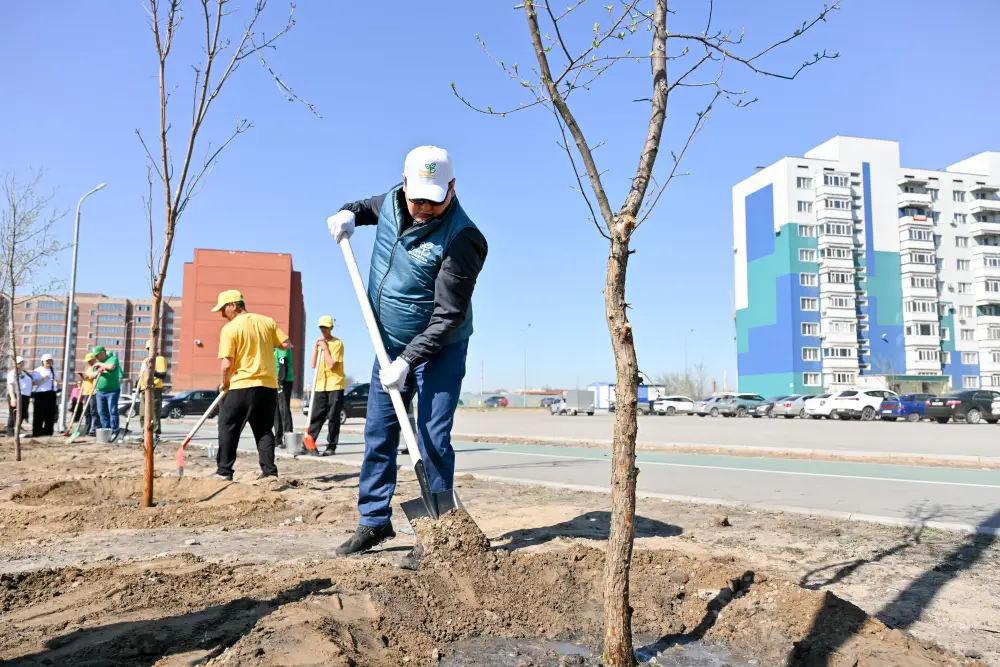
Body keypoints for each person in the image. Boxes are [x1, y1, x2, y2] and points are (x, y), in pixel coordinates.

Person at [326, 145, 488, 565]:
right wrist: (348, 213)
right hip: (389, 346)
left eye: (433, 200)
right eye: (416, 198)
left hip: (439, 350)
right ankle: (374, 519)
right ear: (404, 184)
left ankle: (438, 532)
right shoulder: (394, 203)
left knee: (432, 438)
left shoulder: (464, 239)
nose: (423, 208)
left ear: (451, 189)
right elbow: (366, 207)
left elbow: (448, 317)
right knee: (379, 432)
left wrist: (408, 361)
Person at [213, 289, 291, 481]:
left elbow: (227, 364)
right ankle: (269, 472)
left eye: (223, 309)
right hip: (267, 387)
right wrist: (263, 343)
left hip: (242, 385)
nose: (223, 314)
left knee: (228, 426)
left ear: (233, 305)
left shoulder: (230, 329)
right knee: (264, 429)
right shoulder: (266, 322)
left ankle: (224, 472)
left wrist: (224, 383)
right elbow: (286, 344)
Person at [308, 315, 345, 457]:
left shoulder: (337, 344)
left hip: (335, 384)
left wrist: (325, 348)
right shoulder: (318, 343)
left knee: (333, 417)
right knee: (316, 415)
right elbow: (313, 364)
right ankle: (309, 443)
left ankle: (331, 446)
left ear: (331, 328)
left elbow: (331, 364)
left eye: (325, 327)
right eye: (321, 327)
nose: (323, 330)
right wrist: (316, 349)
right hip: (320, 385)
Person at [138, 340, 167, 441]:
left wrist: (152, 372)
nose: (150, 350)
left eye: (152, 348)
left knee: (154, 413)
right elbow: (141, 375)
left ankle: (155, 434)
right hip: (143, 389)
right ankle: (144, 433)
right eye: (148, 349)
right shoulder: (144, 360)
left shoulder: (160, 359)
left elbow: (163, 374)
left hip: (154, 389)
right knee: (142, 414)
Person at [92, 345, 123, 437]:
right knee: (102, 412)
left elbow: (111, 367)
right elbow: (92, 375)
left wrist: (101, 365)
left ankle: (115, 432)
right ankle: (106, 432)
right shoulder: (97, 363)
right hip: (100, 392)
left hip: (112, 391)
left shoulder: (113, 359)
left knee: (112, 411)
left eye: (97, 355)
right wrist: (97, 372)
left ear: (103, 353)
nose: (96, 358)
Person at [30, 354, 59, 436]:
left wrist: (56, 386)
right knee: (38, 414)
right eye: (47, 361)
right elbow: (33, 383)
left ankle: (48, 432)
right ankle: (37, 432)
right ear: (42, 361)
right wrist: (43, 378)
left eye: (50, 360)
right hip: (40, 394)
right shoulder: (37, 371)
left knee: (50, 414)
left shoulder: (54, 370)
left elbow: (57, 380)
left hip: (51, 394)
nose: (48, 362)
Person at [6, 357, 34, 437]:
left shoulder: (24, 373)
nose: (21, 364)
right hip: (16, 395)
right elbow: (10, 385)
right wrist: (13, 398)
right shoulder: (12, 374)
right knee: (14, 413)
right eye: (20, 363)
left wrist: (43, 379)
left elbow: (32, 382)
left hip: (25, 396)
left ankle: (17, 430)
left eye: (22, 362)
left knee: (22, 414)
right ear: (15, 364)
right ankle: (10, 432)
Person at [273, 344, 294, 448]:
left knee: (284, 409)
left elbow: (283, 365)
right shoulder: (275, 349)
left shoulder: (282, 347)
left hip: (284, 381)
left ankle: (288, 438)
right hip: (276, 382)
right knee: (276, 410)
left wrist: (281, 382)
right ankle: (278, 438)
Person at [80, 355, 99, 436]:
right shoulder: (88, 368)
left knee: (93, 411)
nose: (89, 362)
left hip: (93, 392)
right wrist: (82, 376)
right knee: (86, 412)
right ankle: (87, 427)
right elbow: (86, 379)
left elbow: (93, 376)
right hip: (86, 392)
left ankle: (93, 428)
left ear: (94, 359)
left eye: (90, 360)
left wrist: (87, 376)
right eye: (88, 361)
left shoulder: (96, 367)